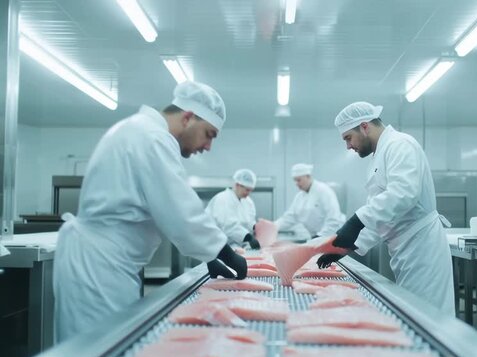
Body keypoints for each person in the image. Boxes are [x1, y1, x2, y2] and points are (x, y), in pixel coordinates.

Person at [53, 81, 247, 342]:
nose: (208, 146)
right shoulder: (152, 137)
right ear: (188, 118)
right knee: (100, 345)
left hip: (106, 261)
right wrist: (222, 250)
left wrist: (208, 253)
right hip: (100, 265)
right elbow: (180, 209)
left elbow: (164, 210)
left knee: (108, 342)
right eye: (209, 134)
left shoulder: (139, 131)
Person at [317, 101, 455, 316]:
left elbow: (404, 193)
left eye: (348, 138)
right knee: (413, 312)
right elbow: (382, 216)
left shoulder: (400, 145)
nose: (348, 146)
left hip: (423, 248)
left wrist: (356, 220)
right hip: (404, 248)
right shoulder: (378, 157)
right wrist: (345, 248)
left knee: (429, 315)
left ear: (364, 126)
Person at [275, 163, 345, 239]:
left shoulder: (324, 191)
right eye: (294, 181)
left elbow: (334, 219)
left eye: (299, 180)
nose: (296, 184)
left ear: (308, 176)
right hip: (316, 237)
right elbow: (289, 217)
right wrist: (273, 226)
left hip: (331, 236)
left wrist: (321, 236)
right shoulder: (299, 197)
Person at [205, 169, 260, 249]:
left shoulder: (248, 202)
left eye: (251, 190)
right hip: (215, 247)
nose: (248, 193)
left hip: (235, 247)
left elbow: (249, 222)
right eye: (247, 190)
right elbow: (228, 226)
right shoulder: (222, 199)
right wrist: (249, 237)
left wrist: (255, 227)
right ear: (238, 185)